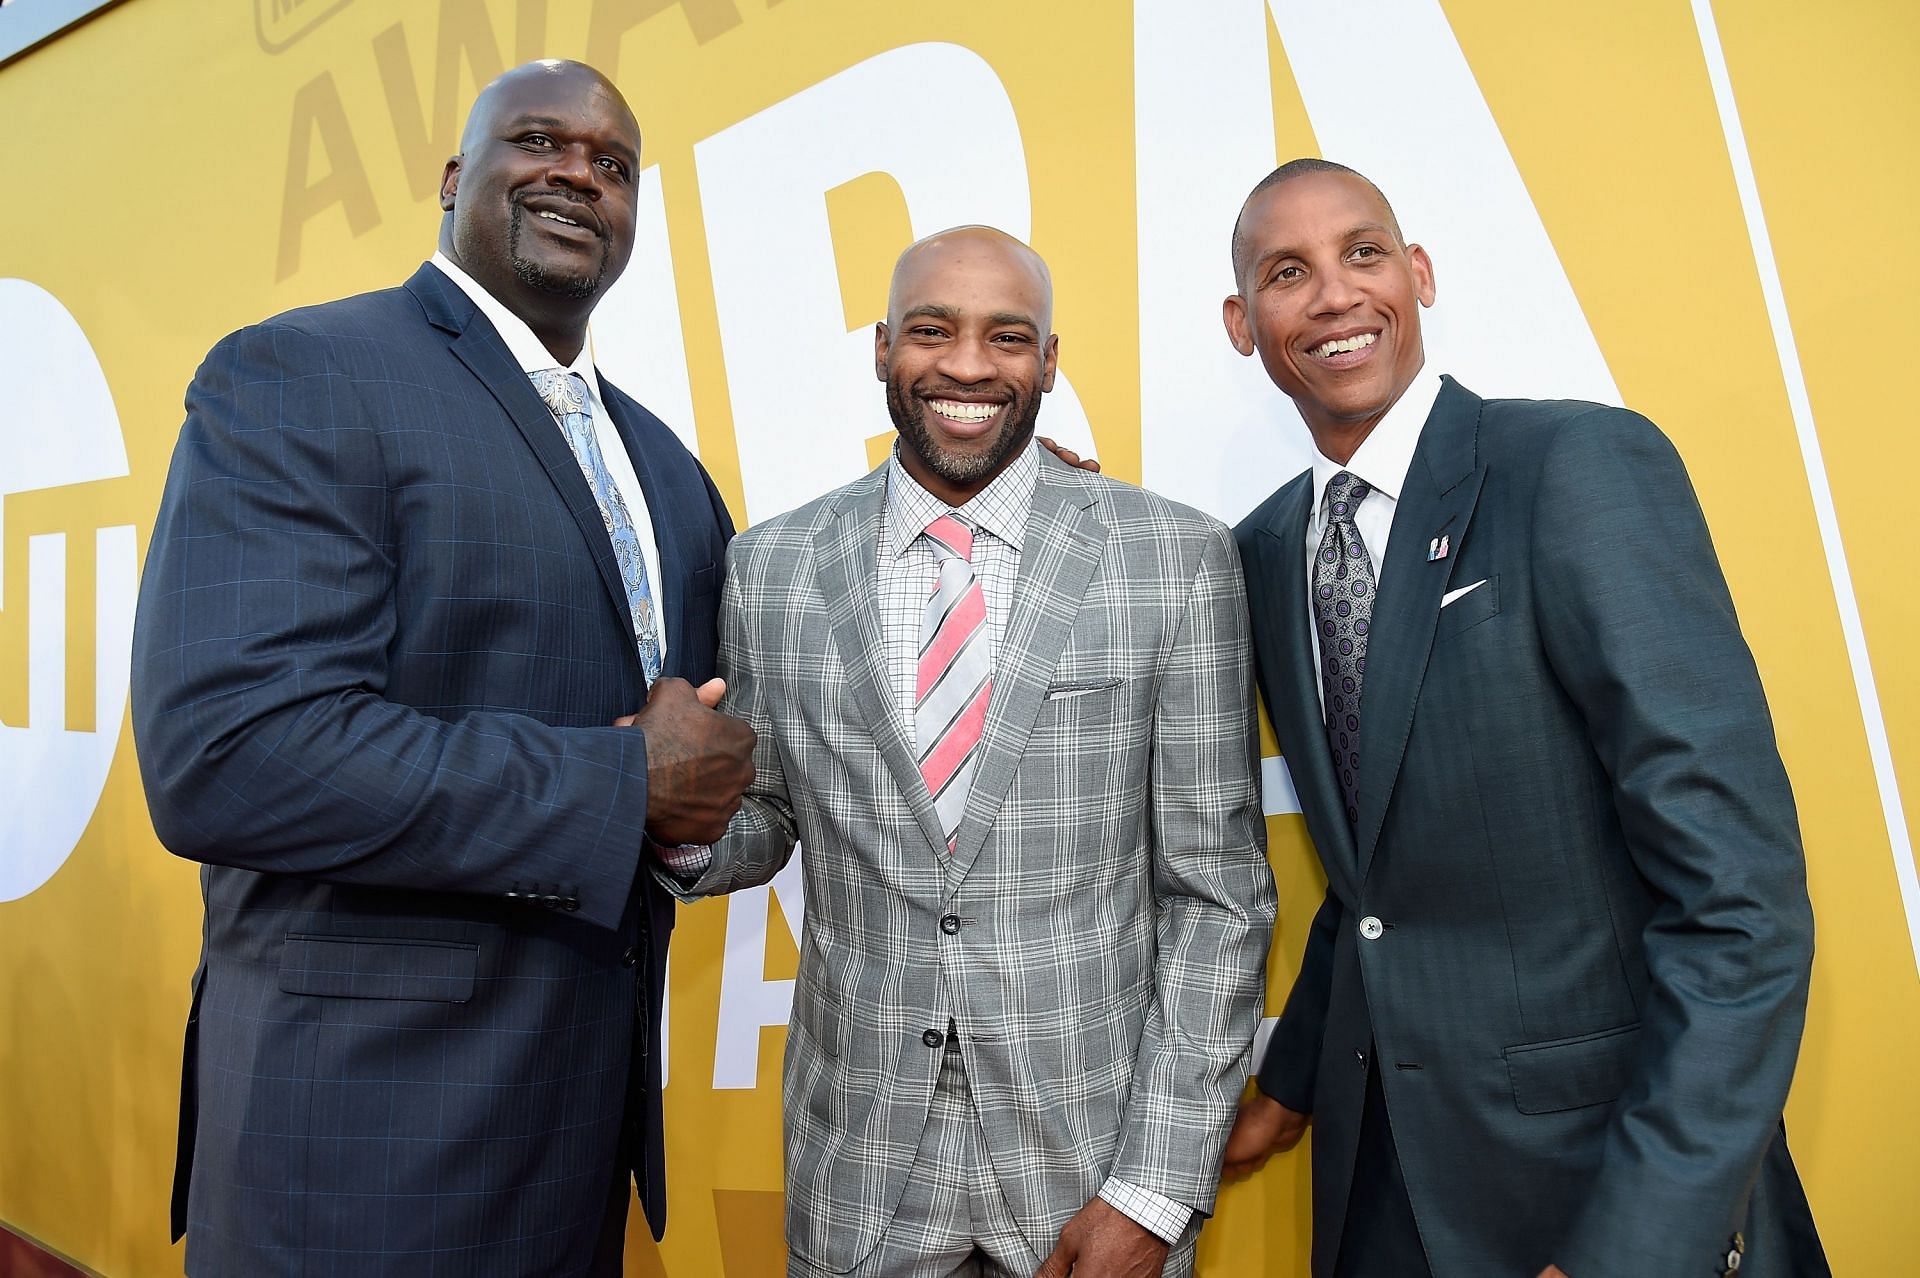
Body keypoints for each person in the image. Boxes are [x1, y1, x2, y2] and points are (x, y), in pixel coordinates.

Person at [131, 60, 753, 1277]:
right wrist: (619, 783)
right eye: (539, 141)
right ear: (456, 178)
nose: (580, 172)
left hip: (576, 1163)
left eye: (614, 165)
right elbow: (228, 754)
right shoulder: (303, 374)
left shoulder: (671, 475)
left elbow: (709, 760)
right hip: (360, 1155)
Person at [1217, 158, 1827, 1278]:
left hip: (1596, 1182)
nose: (1337, 294)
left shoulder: (1574, 465)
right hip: (1380, 1191)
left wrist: (1634, 1246)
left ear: (1420, 274)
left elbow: (1740, 901)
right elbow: (1372, 877)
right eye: (1287, 271)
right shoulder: (1257, 552)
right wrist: (1289, 1087)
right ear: (1243, 323)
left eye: (1364, 253)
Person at [666, 227, 1276, 1278]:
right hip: (859, 1166)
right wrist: (667, 811)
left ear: (1047, 361)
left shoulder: (1174, 559)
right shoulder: (772, 566)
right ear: (880, 348)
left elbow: (1216, 898)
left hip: (1090, 1165)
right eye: (931, 330)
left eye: (1007, 337)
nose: (966, 365)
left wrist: (1157, 1189)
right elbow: (763, 819)